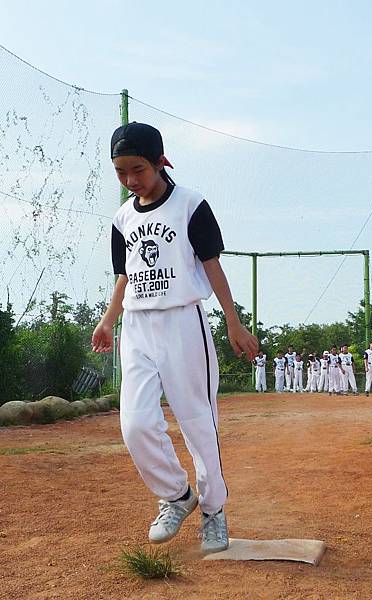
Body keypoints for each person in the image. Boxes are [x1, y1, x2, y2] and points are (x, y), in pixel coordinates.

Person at [91, 122, 258, 554]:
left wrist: (233, 322)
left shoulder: (190, 205)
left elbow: (212, 265)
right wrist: (108, 320)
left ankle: (214, 511)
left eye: (138, 169)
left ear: (161, 162)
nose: (130, 180)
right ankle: (177, 495)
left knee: (198, 423)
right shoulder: (122, 219)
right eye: (121, 172)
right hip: (137, 327)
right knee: (135, 424)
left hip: (183, 322)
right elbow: (125, 275)